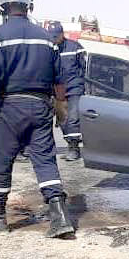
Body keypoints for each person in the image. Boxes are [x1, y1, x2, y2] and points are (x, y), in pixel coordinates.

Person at [0, 0, 75, 238]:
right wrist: (61, 107)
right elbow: (59, 80)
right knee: (45, 160)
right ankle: (60, 218)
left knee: (0, 161)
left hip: (10, 109)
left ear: (0, 6)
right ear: (28, 4)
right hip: (41, 107)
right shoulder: (47, 37)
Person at [47, 22, 86, 161]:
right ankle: (70, 144)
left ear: (63, 34)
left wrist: (81, 84)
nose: (54, 39)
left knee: (73, 119)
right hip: (58, 91)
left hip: (75, 89)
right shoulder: (50, 49)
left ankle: (74, 149)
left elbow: (84, 69)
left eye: (56, 36)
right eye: (52, 36)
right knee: (62, 120)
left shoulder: (75, 47)